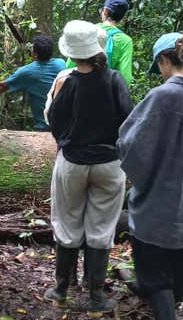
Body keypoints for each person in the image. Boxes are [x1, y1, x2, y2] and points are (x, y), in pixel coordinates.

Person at [118, 30, 183, 320]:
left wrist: (140, 177)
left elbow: (129, 143)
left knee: (156, 280)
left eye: (158, 66)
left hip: (157, 209)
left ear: (165, 60)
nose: (159, 72)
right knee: (173, 283)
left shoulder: (161, 96)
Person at [44, 20, 133, 313]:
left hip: (72, 162)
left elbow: (53, 121)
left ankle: (60, 289)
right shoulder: (115, 79)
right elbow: (127, 120)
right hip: (109, 164)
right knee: (101, 228)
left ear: (72, 52)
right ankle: (95, 296)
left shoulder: (64, 80)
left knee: (67, 222)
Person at [0, 35, 65, 131]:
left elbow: (2, 86)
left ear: (35, 54)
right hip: (65, 124)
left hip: (45, 127)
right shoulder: (61, 64)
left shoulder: (27, 72)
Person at [67, 0, 133, 85]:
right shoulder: (126, 41)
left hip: (81, 88)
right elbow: (125, 77)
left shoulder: (88, 31)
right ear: (121, 17)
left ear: (105, 11)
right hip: (108, 93)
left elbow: (69, 66)